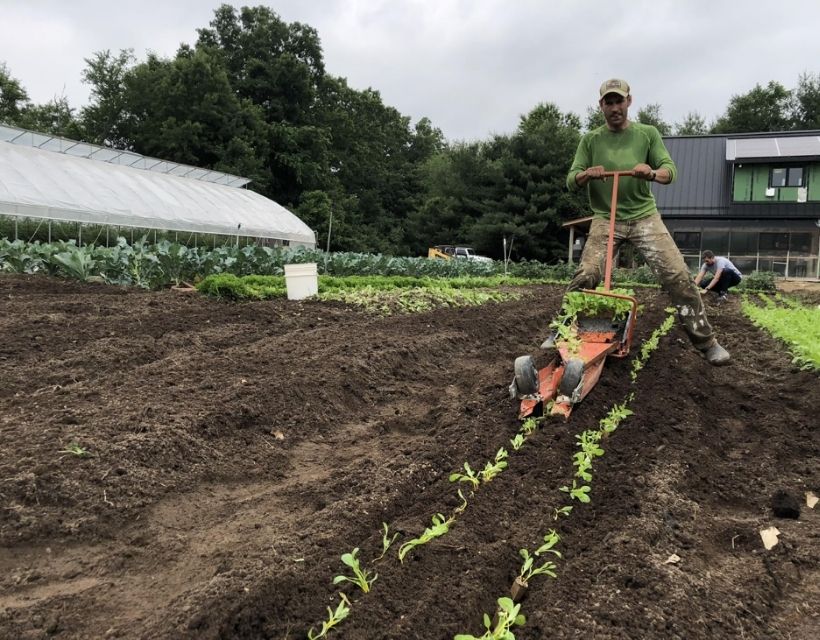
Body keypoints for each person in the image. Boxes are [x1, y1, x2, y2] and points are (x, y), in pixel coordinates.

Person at [565, 78, 730, 366]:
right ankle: (564, 330)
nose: (614, 107)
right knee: (587, 274)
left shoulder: (647, 134)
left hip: (644, 217)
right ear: (600, 105)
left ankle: (707, 343)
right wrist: (587, 174)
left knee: (678, 276)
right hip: (607, 217)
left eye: (619, 101)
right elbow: (571, 180)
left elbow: (670, 171)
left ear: (629, 101)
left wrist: (651, 172)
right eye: (608, 102)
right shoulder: (590, 140)